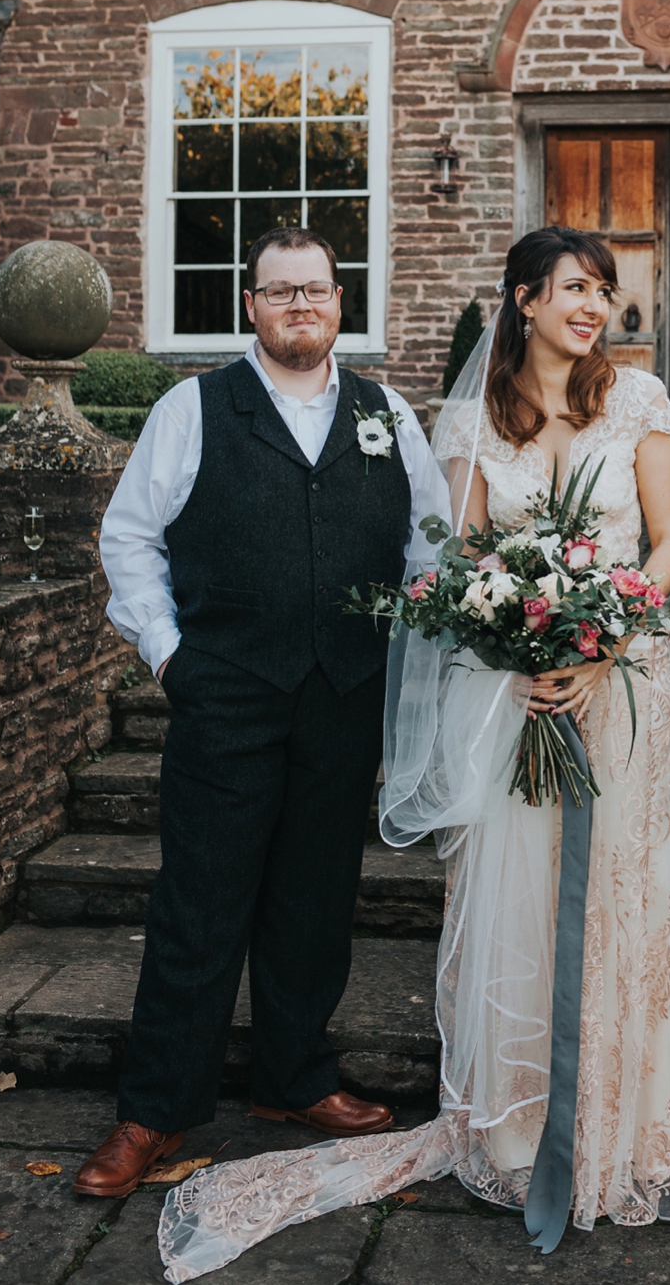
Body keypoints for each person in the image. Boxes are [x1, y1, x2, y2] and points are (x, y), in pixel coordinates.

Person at [155, 225, 670, 1282]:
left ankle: (622, 1126)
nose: (592, 306)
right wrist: (517, 649)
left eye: (603, 290)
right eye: (571, 288)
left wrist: (607, 637)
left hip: (622, 686)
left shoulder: (641, 401)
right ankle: (513, 1124)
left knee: (621, 901)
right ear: (521, 299)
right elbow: (455, 563)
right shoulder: (466, 418)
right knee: (513, 902)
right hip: (512, 692)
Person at [74, 227, 448, 1200]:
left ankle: (296, 1078)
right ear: (251, 304)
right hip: (226, 689)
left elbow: (431, 542)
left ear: (339, 300)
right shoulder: (194, 407)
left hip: (344, 693)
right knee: (200, 903)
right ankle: (154, 1107)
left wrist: (404, 643)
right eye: (279, 291)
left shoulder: (386, 412)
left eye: (314, 290)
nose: (299, 306)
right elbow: (129, 536)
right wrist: (170, 654)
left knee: (316, 899)